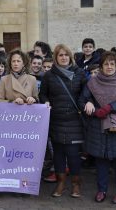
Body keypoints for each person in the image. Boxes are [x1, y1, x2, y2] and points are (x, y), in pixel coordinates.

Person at [79, 51, 116, 204]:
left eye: (112, 64)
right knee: (101, 161)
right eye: (106, 64)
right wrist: (88, 103)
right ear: (101, 66)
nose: (109, 67)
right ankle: (102, 190)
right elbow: (82, 100)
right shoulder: (92, 82)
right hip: (98, 127)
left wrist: (111, 107)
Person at [39, 44, 87, 198]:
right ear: (56, 58)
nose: (64, 57)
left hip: (74, 119)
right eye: (60, 55)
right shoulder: (49, 75)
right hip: (56, 120)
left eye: (66, 55)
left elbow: (85, 93)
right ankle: (60, 182)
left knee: (73, 154)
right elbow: (43, 94)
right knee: (58, 154)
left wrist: (85, 103)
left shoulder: (79, 73)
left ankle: (75, 184)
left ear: (70, 56)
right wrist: (45, 101)